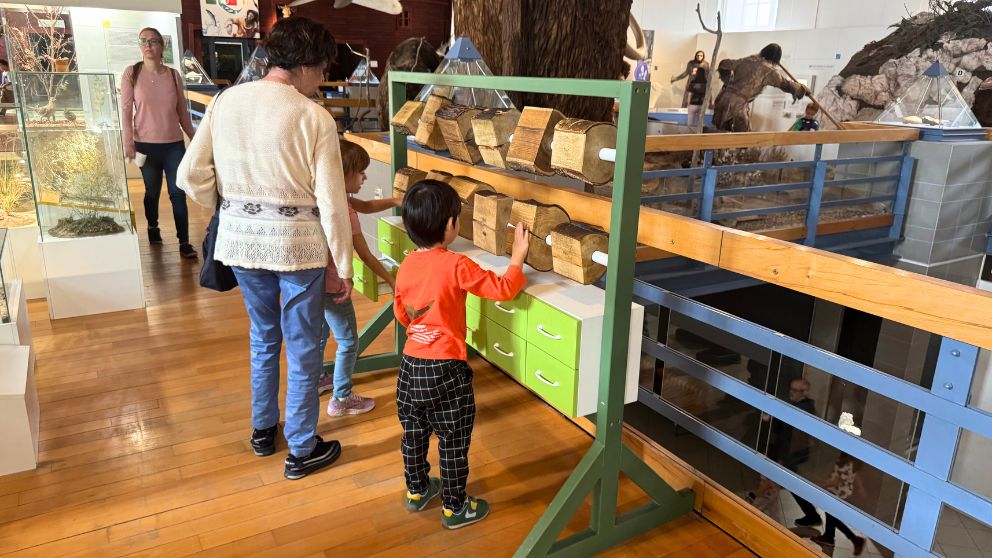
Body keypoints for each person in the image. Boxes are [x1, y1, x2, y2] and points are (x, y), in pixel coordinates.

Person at [177, 16, 354, 481]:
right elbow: (332, 203)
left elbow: (189, 174)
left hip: (241, 243)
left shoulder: (226, 101)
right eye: (322, 70)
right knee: (303, 346)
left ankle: (262, 431)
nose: (321, 79)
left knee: (263, 336)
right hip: (299, 248)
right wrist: (344, 264)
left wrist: (230, 206)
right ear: (307, 65)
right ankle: (302, 447)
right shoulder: (313, 116)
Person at [393, 179, 529, 529]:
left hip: (410, 366)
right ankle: (454, 508)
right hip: (447, 369)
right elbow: (502, 289)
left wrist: (421, 330)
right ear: (450, 225)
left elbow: (402, 313)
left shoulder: (407, 264)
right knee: (452, 439)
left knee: (413, 433)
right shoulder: (457, 265)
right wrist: (517, 257)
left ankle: (417, 490)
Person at [317, 140, 402, 415]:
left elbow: (365, 205)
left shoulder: (329, 196)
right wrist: (392, 280)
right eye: (361, 173)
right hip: (335, 286)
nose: (365, 177)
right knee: (348, 341)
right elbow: (366, 255)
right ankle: (341, 398)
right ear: (344, 174)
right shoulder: (345, 212)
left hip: (315, 283)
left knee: (321, 332)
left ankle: (318, 378)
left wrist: (394, 201)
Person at [121, 28, 198, 259]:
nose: (148, 45)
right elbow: (126, 110)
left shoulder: (173, 75)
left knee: (178, 192)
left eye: (153, 41)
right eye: (143, 41)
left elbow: (182, 111)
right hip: (145, 145)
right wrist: (128, 142)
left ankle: (184, 242)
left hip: (173, 144)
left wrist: (195, 139)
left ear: (162, 46)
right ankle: (153, 226)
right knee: (152, 192)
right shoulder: (132, 73)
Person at [712, 43, 808, 132]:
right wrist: (802, 89)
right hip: (737, 105)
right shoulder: (769, 70)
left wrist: (728, 80)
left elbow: (725, 64)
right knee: (742, 136)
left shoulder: (747, 60)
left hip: (723, 98)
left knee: (720, 132)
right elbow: (784, 84)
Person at [770, 377, 821, 527]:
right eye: (791, 389)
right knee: (786, 483)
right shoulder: (802, 407)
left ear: (804, 392)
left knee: (792, 484)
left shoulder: (800, 410)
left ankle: (812, 515)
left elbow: (789, 436)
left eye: (795, 390)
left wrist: (783, 457)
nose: (791, 392)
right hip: (792, 454)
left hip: (791, 455)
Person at [811, 452, 867, 555]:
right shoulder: (853, 462)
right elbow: (855, 476)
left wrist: (818, 482)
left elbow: (835, 482)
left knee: (832, 517)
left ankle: (854, 539)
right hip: (842, 493)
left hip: (837, 492)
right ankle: (828, 537)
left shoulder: (845, 463)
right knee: (831, 516)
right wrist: (861, 487)